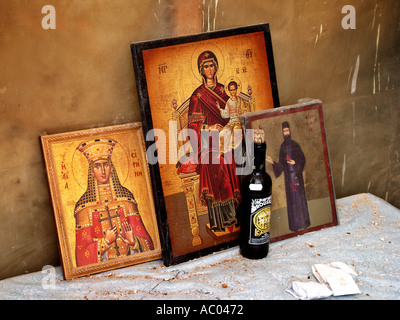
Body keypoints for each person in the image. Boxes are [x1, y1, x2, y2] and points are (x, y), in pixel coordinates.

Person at [74, 138, 154, 267]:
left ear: (111, 167)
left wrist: (134, 241)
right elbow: (82, 253)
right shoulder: (84, 206)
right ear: (92, 171)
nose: (103, 171)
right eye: (97, 166)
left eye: (105, 165)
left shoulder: (126, 198)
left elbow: (149, 244)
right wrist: (105, 242)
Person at [187, 50, 241, 232]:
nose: (209, 69)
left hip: (227, 137)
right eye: (205, 66)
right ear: (201, 70)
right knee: (215, 162)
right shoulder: (197, 96)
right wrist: (208, 128)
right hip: (206, 142)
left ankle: (237, 214)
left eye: (211, 65)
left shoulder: (224, 91)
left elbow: (233, 114)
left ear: (216, 67)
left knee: (231, 159)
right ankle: (221, 219)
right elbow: (191, 126)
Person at [266, 122, 310, 232]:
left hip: (297, 176)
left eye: (287, 131)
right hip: (288, 179)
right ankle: (295, 226)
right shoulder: (282, 146)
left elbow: (302, 159)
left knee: (299, 200)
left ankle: (304, 223)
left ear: (290, 131)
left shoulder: (295, 145)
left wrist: (295, 162)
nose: (286, 133)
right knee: (292, 201)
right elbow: (281, 165)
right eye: (284, 131)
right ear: (282, 133)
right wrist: (273, 162)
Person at [217, 80, 244, 153]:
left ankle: (229, 149)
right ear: (229, 91)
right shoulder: (228, 101)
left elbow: (244, 112)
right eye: (231, 90)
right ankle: (222, 151)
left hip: (238, 122)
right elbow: (226, 114)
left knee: (236, 132)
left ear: (236, 89)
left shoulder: (240, 101)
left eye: (234, 89)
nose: (233, 92)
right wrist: (220, 109)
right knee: (222, 133)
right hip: (231, 123)